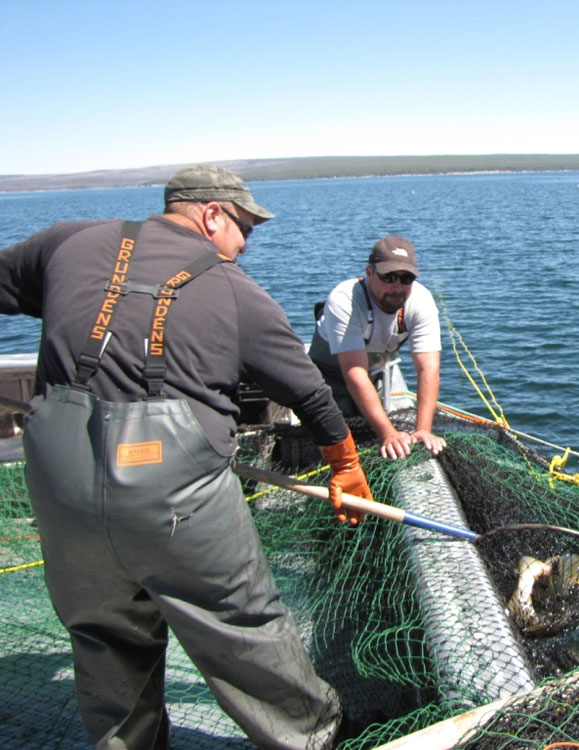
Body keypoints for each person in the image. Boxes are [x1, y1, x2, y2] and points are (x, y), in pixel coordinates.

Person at [0, 164, 372, 750]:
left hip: (60, 485)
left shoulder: (66, 240)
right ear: (211, 214)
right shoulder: (235, 291)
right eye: (244, 229)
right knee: (242, 626)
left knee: (103, 637)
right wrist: (346, 464)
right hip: (173, 498)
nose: (244, 246)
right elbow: (310, 393)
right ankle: (317, 738)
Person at [309, 236, 447, 460]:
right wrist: (388, 433)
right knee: (335, 431)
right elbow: (355, 372)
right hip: (330, 372)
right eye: (389, 276)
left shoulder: (421, 301)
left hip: (373, 368)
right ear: (369, 272)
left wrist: (423, 430)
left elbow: (428, 369)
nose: (397, 286)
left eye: (406, 278)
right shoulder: (345, 299)